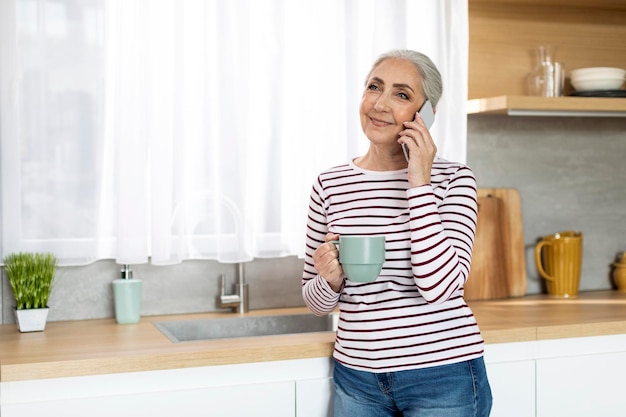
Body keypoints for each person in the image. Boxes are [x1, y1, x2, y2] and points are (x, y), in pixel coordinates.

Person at [301, 49, 493, 417]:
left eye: (402, 94)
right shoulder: (330, 185)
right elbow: (314, 303)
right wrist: (329, 280)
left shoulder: (454, 180)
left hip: (443, 375)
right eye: (374, 87)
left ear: (426, 115)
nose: (380, 104)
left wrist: (420, 180)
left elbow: (438, 288)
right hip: (356, 378)